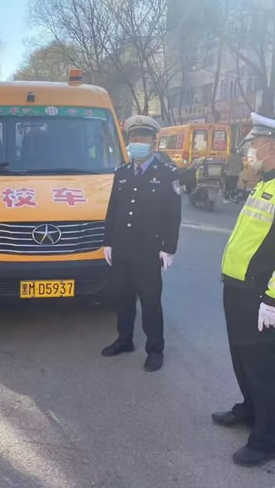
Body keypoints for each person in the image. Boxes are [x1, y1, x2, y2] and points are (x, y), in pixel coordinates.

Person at [213, 113, 275, 467]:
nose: (249, 152)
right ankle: (250, 409)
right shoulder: (264, 183)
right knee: (242, 356)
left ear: (270, 146)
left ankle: (268, 440)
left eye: (253, 145)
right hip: (238, 286)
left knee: (263, 365)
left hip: (260, 295)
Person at [101, 115, 182, 372]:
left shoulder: (167, 174)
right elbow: (113, 209)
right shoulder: (122, 172)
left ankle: (155, 349)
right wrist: (108, 241)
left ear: (154, 143)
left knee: (150, 302)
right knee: (123, 298)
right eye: (134, 138)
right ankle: (124, 340)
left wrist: (169, 248)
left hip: (148, 251)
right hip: (122, 248)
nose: (138, 143)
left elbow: (173, 215)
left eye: (143, 139)